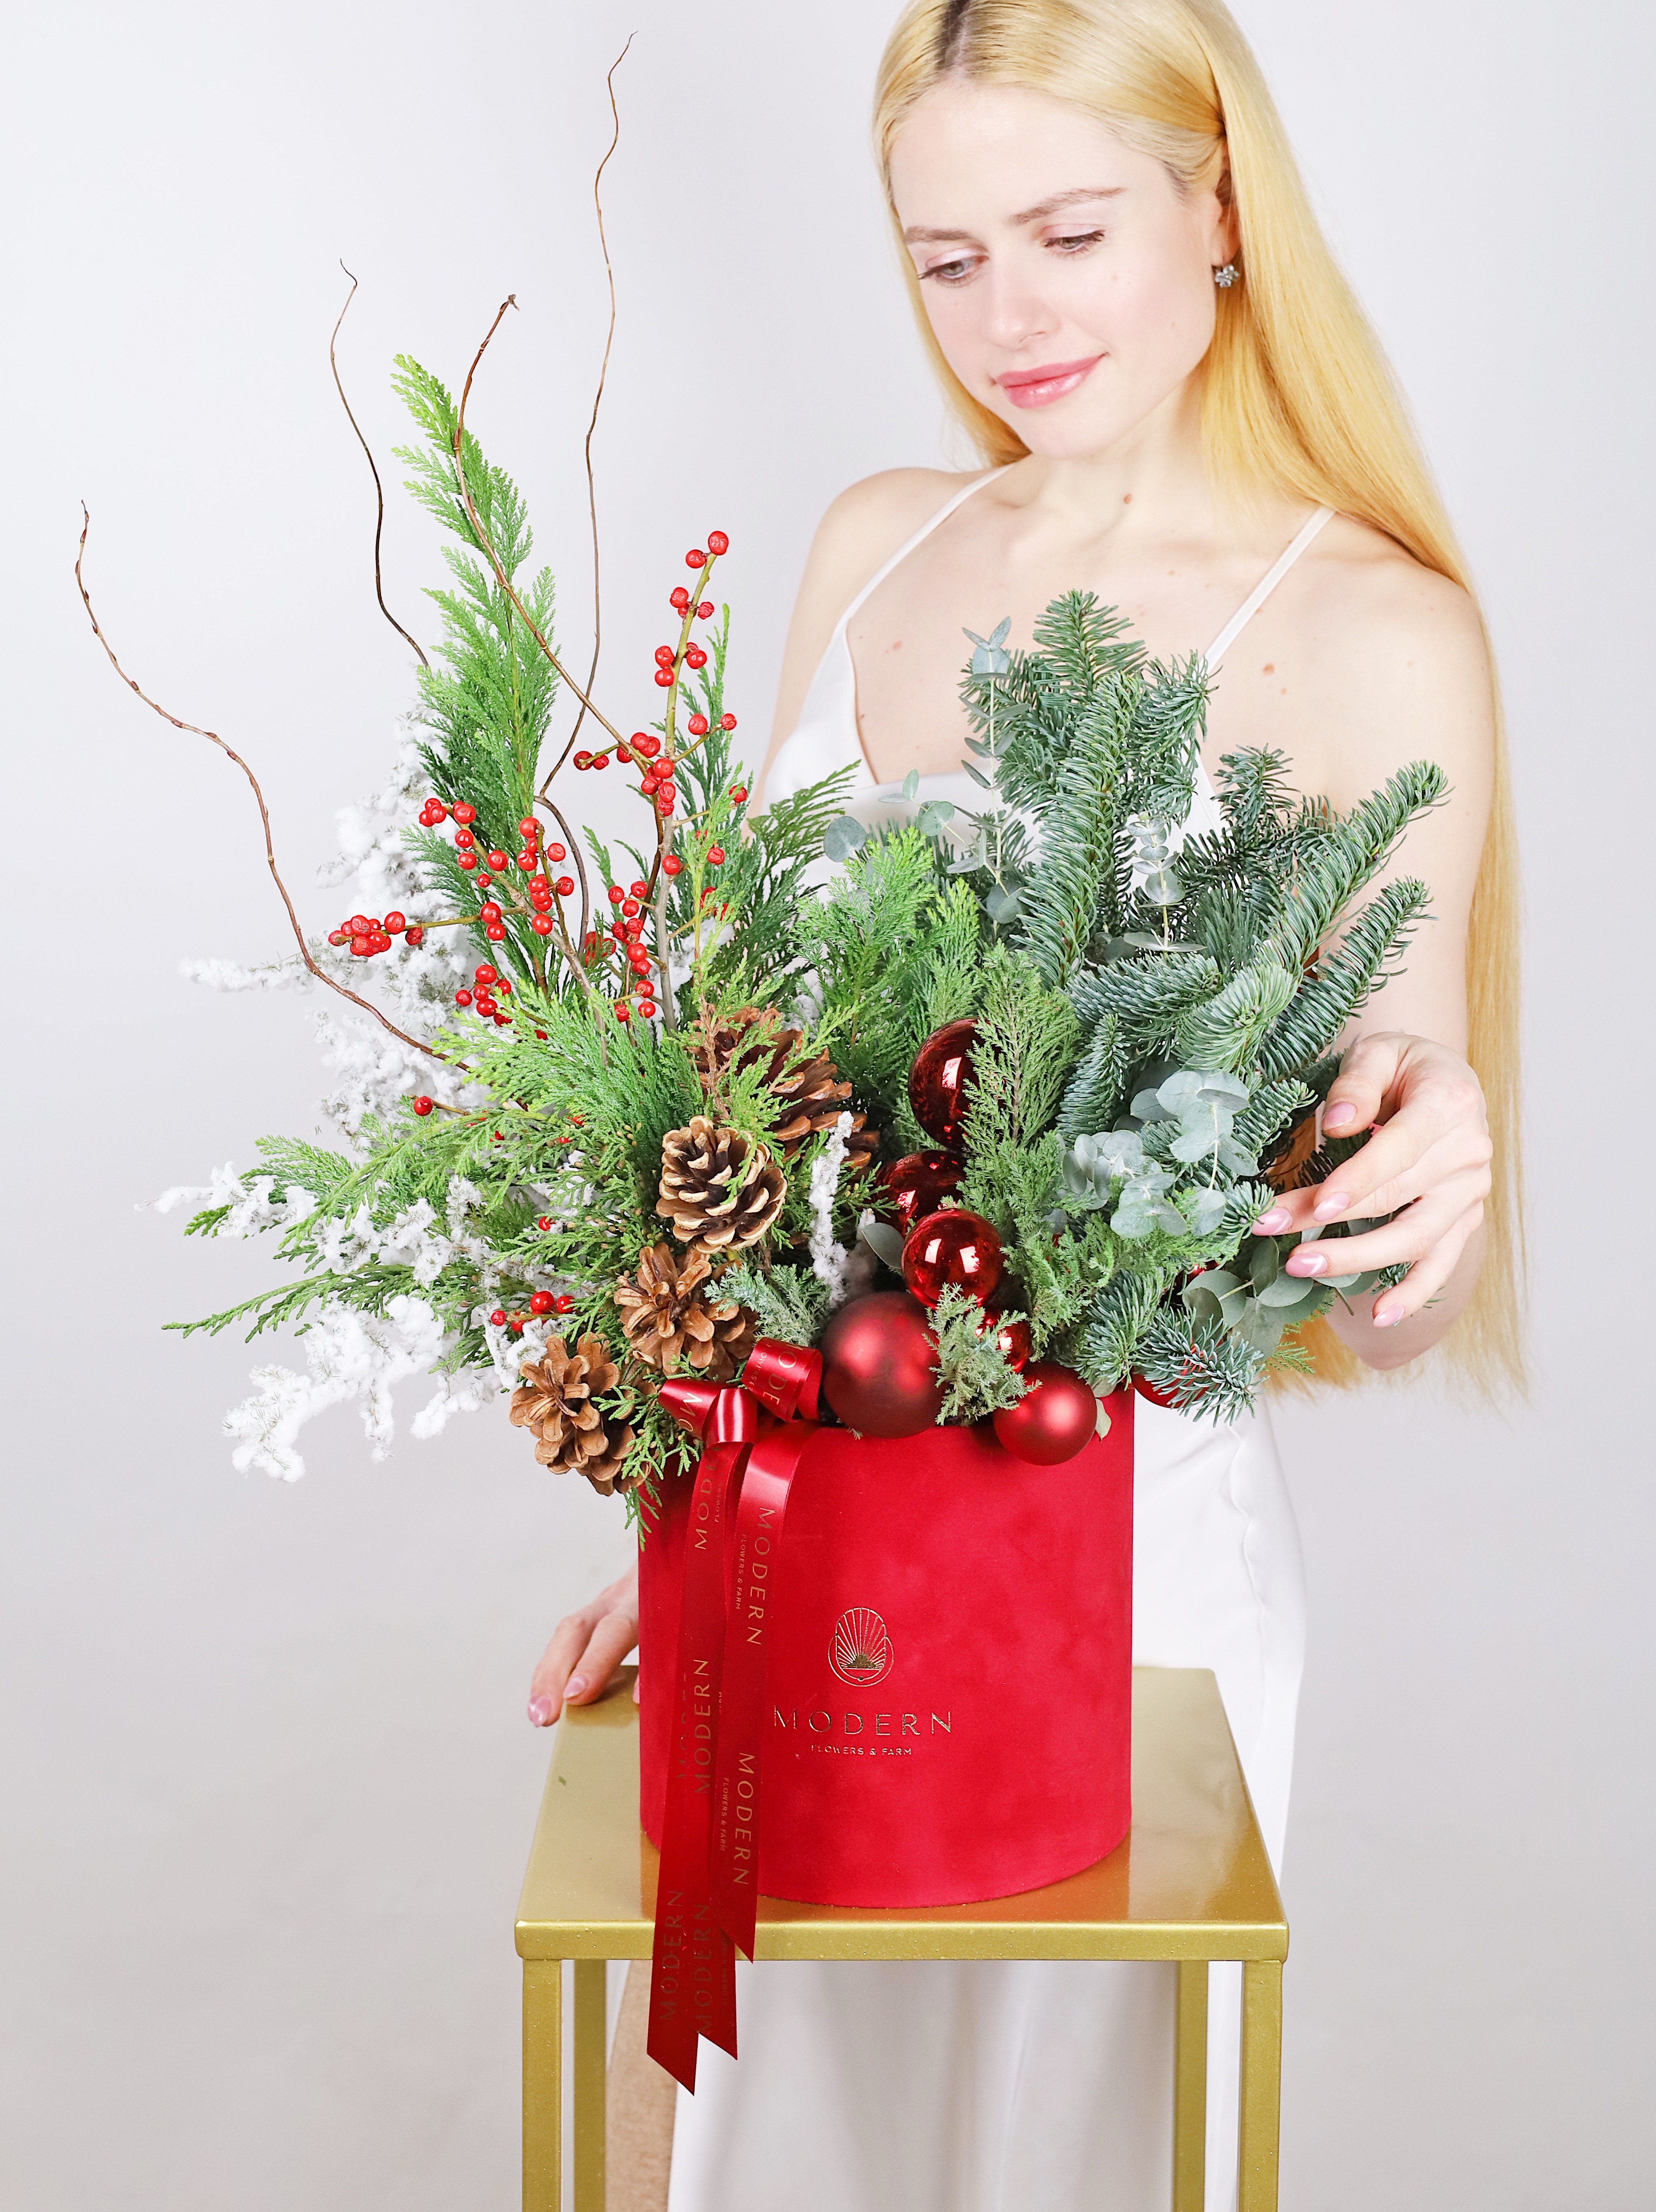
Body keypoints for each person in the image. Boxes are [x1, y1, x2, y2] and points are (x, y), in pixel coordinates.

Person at [526, 2, 1519, 2205]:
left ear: (1221, 204)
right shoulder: (878, 542)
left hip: (1128, 1594)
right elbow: (743, 1127)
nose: (1010, 320)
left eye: (1069, 234)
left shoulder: (1378, 632)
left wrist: (1433, 1166)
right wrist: (685, 1525)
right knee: (767, 2159)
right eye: (949, 259)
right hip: (810, 1553)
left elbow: (1390, 1311)